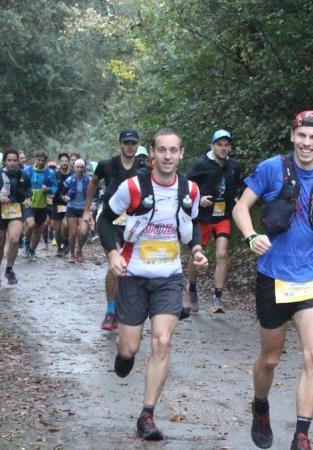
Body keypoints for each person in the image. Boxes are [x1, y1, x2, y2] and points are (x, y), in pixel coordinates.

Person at [232, 111, 313, 450]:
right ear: (292, 136)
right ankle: (260, 405)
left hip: (311, 279)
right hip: (273, 277)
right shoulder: (272, 168)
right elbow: (241, 207)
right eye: (302, 135)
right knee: (270, 359)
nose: (307, 143)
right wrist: (251, 235)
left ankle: (302, 434)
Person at [97, 128, 207, 441]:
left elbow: (194, 223)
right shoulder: (133, 187)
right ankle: (124, 355)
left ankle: (147, 414)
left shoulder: (190, 190)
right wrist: (112, 254)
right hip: (132, 276)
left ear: (181, 153)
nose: (168, 156)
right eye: (162, 150)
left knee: (161, 342)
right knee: (130, 347)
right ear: (154, 153)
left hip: (169, 278)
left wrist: (197, 250)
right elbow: (105, 220)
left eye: (174, 150)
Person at [85, 129, 147, 331]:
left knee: (132, 267)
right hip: (109, 221)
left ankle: (130, 308)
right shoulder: (107, 165)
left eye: (133, 143)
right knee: (116, 263)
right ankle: (111, 311)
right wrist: (87, 210)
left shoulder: (143, 167)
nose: (130, 147)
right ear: (120, 144)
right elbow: (93, 183)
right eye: (126, 143)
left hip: (134, 222)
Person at [185, 129, 243, 313]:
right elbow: (185, 187)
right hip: (202, 217)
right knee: (197, 255)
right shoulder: (201, 164)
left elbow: (237, 187)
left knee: (222, 254)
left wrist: (236, 199)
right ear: (212, 146)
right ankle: (191, 287)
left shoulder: (234, 166)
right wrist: (198, 198)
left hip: (223, 215)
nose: (223, 148)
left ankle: (218, 297)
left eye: (227, 145)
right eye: (219, 145)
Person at [0, 148, 31, 287]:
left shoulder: (23, 175)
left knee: (15, 239)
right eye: (9, 160)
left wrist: (28, 198)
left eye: (14, 160)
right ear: (4, 161)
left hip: (16, 210)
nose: (12, 163)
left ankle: (9, 270)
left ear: (18, 161)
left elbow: (28, 190)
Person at [22, 150, 57, 261]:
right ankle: (27, 243)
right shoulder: (27, 170)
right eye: (38, 159)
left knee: (38, 229)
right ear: (35, 158)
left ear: (46, 161)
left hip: (42, 206)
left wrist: (49, 189)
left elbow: (55, 188)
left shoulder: (50, 173)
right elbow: (19, 184)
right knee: (31, 225)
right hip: (29, 204)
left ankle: (32, 251)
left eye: (43, 160)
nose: (40, 162)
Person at [61, 159, 90, 263]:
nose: (80, 169)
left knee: (83, 232)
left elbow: (94, 193)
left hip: (84, 209)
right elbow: (62, 193)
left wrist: (94, 203)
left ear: (84, 168)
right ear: (74, 168)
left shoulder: (89, 180)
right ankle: (72, 253)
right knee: (72, 234)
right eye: (78, 167)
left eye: (82, 167)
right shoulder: (69, 180)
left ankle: (80, 250)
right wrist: (65, 197)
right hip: (72, 208)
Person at [51, 153, 72, 256]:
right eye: (62, 161)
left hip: (70, 204)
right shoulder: (55, 175)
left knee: (67, 225)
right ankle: (59, 247)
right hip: (58, 204)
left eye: (66, 161)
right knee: (58, 228)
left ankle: (67, 243)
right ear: (59, 162)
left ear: (68, 162)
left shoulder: (73, 174)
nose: (64, 163)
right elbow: (53, 189)